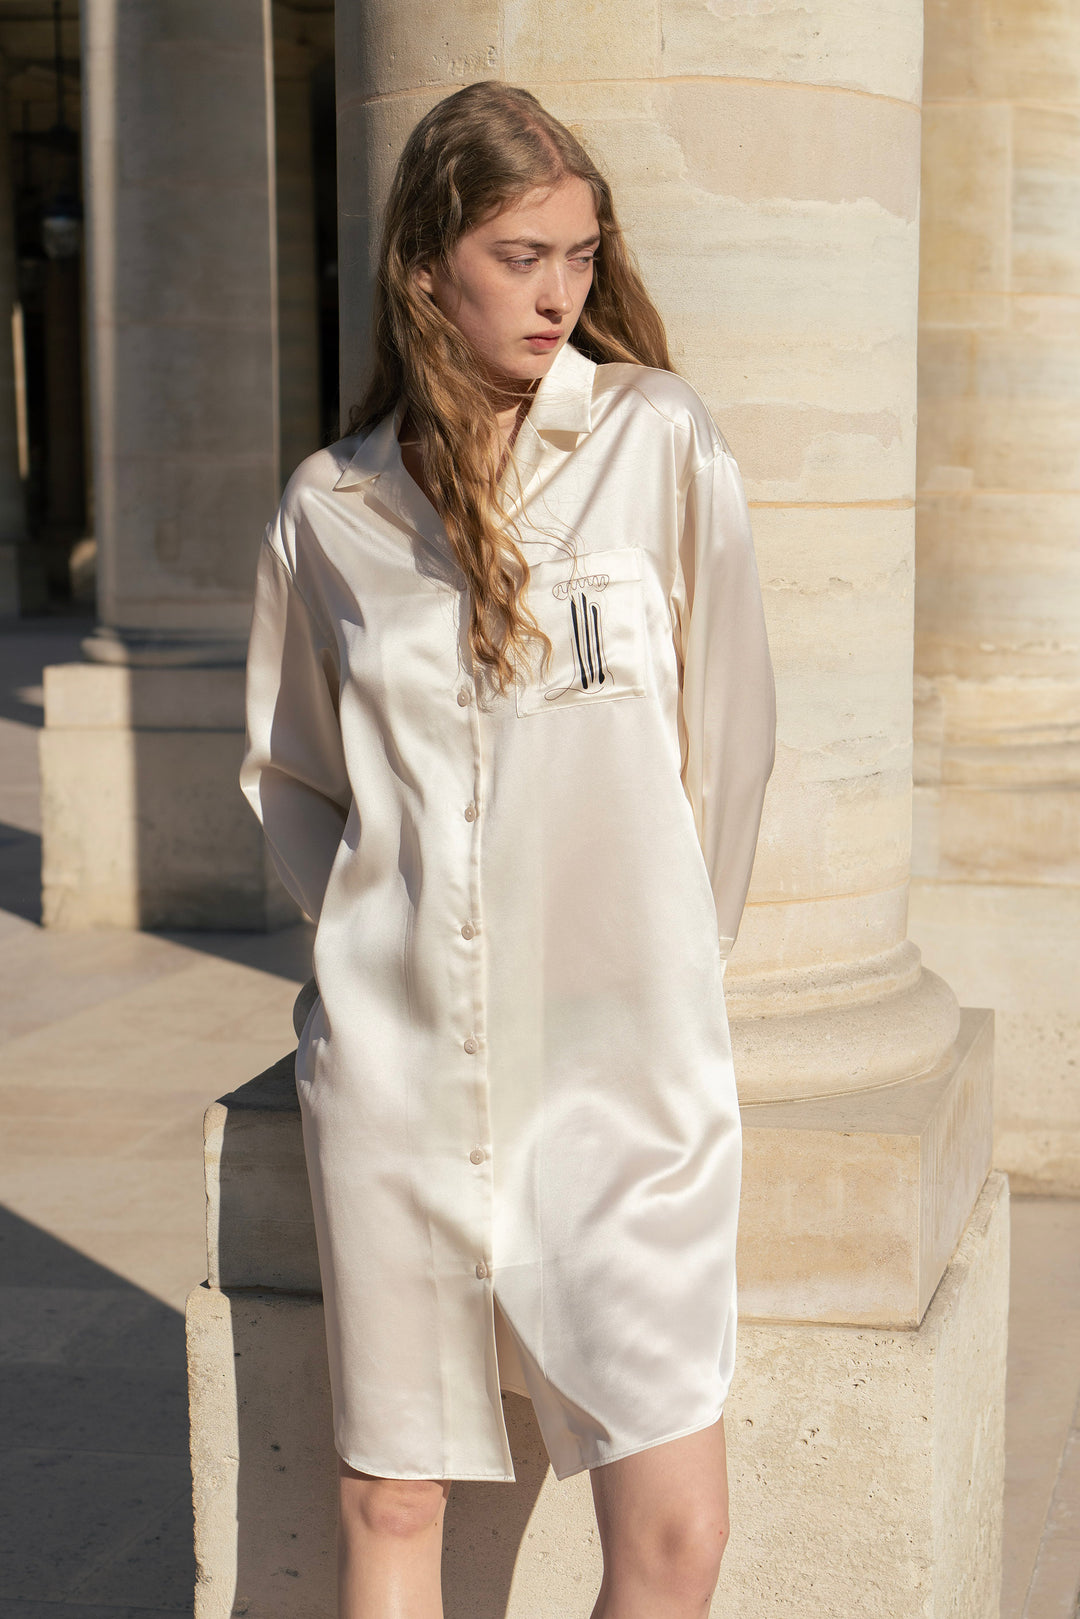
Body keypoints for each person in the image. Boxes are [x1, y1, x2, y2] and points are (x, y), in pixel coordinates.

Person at [240, 79, 775, 1619]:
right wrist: (369, 947)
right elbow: (292, 775)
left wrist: (662, 958)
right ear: (428, 268)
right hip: (402, 1078)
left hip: (624, 1076)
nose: (559, 295)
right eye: (521, 256)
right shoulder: (332, 511)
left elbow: (731, 742)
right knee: (395, 1496)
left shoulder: (657, 441)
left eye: (580, 256)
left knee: (674, 1533)